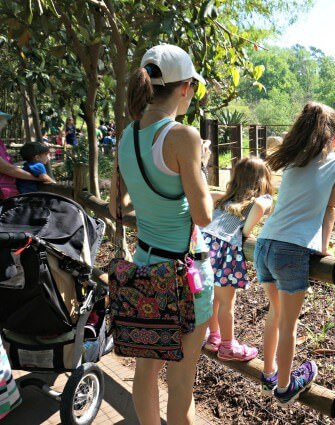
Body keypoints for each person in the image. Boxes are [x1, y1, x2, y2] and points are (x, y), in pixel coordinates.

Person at [108, 43, 212, 425]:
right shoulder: (183, 137)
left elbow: (115, 207)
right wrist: (198, 166)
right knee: (182, 384)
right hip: (185, 278)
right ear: (184, 88)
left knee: (146, 372)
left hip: (145, 270)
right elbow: (202, 215)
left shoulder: (126, 137)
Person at [254, 102, 335, 406]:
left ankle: (269, 371)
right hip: (291, 251)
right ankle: (284, 387)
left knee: (275, 312)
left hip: (264, 243)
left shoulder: (292, 161)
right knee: (289, 325)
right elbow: (331, 208)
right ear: (333, 138)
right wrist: (323, 247)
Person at [202, 156, 274, 361]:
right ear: (262, 180)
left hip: (203, 250)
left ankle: (214, 336)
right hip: (223, 253)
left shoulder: (225, 199)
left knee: (213, 299)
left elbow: (206, 194)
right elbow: (261, 205)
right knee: (226, 303)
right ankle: (227, 346)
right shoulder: (257, 201)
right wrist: (247, 231)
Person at [0, 112, 42, 199]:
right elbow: (7, 169)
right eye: (3, 120)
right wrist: (37, 178)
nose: (5, 124)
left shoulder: (0, 142)